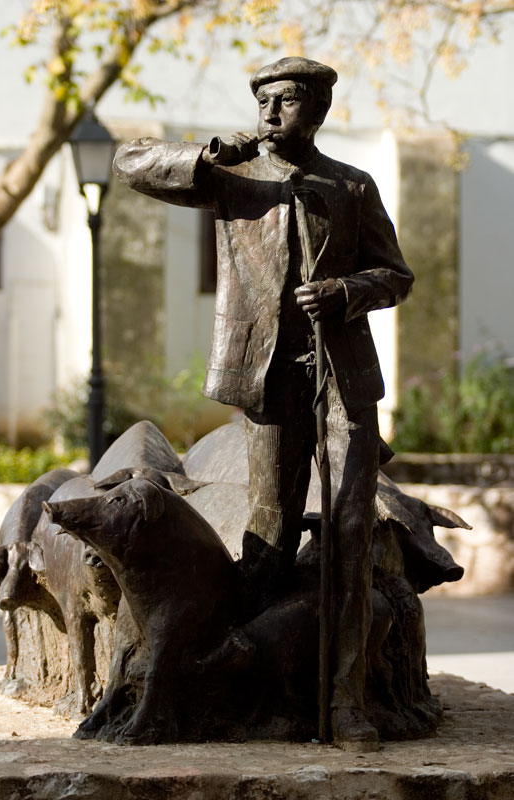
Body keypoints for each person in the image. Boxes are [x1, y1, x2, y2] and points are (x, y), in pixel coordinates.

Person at [113, 56, 414, 749]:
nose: (271, 113)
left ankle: (344, 701)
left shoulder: (351, 185)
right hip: (266, 378)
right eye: (263, 101)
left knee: (345, 535)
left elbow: (395, 274)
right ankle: (240, 686)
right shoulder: (232, 177)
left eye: (286, 101)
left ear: (316, 110)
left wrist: (345, 293)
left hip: (345, 382)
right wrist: (205, 153)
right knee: (269, 535)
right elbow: (132, 164)